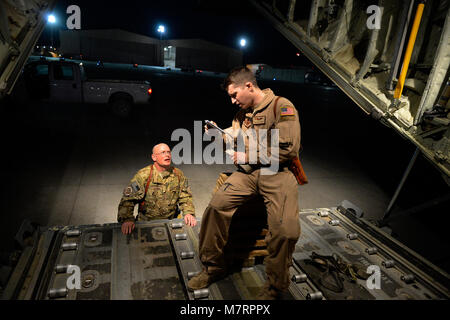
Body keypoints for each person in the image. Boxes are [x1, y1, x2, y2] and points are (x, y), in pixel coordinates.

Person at [188, 66, 302, 300]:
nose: (232, 101)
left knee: (286, 231)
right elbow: (234, 139)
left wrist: (247, 156)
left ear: (249, 86)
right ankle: (213, 267)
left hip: (277, 174)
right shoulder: (242, 114)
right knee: (216, 208)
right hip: (249, 174)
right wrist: (217, 135)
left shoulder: (281, 106)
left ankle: (275, 287)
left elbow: (288, 149)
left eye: (234, 95)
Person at [117, 143, 197, 235]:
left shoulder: (178, 174)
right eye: (163, 152)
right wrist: (127, 219)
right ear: (154, 157)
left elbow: (185, 197)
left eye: (168, 152)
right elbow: (128, 199)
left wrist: (188, 213)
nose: (167, 155)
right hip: (146, 225)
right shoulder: (144, 175)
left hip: (171, 223)